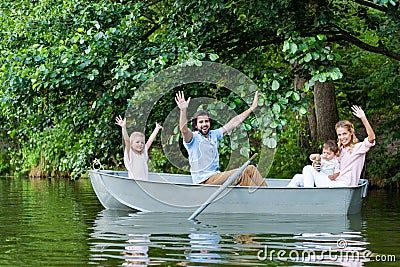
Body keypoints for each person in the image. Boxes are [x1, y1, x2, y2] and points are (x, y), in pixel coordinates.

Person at [175, 91, 267, 187]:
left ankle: (263, 196)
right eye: (201, 122)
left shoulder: (213, 134)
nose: (204, 124)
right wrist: (183, 110)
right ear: (196, 125)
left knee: (248, 172)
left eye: (206, 121)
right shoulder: (194, 138)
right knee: (246, 171)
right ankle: (267, 197)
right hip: (204, 181)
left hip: (216, 176)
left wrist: (251, 108)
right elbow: (184, 130)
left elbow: (234, 122)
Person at [300, 105, 375, 187]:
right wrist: (316, 164)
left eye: (344, 134)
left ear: (351, 133)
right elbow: (323, 160)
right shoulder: (338, 150)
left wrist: (363, 118)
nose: (342, 137)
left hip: (344, 185)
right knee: (299, 178)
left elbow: (371, 138)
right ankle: (288, 195)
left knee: (307, 169)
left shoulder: (358, 148)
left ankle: (308, 194)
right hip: (333, 183)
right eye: (339, 135)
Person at [115, 115, 162, 180]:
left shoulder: (143, 153)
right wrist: (123, 128)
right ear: (131, 144)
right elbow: (127, 141)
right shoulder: (130, 154)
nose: (140, 144)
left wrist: (156, 129)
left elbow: (150, 141)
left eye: (142, 142)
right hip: (134, 184)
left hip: (144, 183)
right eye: (137, 142)